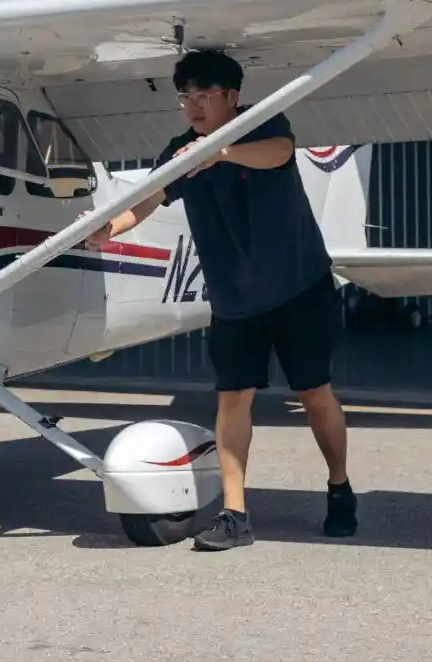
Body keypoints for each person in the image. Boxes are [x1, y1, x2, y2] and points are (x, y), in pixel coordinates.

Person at [84, 49, 356, 552]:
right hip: (235, 298)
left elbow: (278, 151)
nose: (193, 105)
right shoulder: (179, 152)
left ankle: (339, 487)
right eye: (186, 96)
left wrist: (221, 152)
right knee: (233, 400)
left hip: (301, 286)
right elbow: (148, 196)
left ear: (232, 97)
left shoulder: (263, 125)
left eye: (204, 95)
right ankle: (236, 515)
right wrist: (109, 230)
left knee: (315, 394)